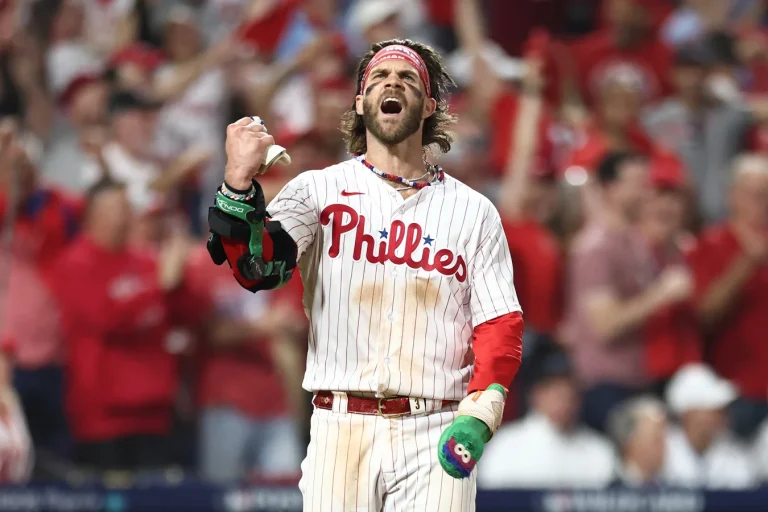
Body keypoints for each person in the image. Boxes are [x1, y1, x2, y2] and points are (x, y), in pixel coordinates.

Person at [209, 39, 524, 510]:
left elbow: (500, 323)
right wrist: (238, 183)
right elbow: (258, 270)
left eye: (407, 77)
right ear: (360, 102)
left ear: (429, 106)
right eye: (379, 76)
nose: (392, 82)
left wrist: (480, 412)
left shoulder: (474, 212)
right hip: (340, 426)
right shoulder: (318, 190)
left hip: (434, 425)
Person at [47, 179, 201, 471]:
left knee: (157, 490)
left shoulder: (146, 261)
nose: (124, 216)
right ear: (92, 215)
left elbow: (187, 315)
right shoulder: (74, 263)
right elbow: (106, 319)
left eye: (126, 208)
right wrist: (159, 286)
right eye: (116, 209)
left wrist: (181, 279)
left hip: (153, 409)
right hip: (102, 414)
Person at [562, 151, 693, 433]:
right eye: (637, 183)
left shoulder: (632, 242)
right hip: (605, 385)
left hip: (637, 380)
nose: (647, 191)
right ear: (612, 189)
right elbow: (605, 324)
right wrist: (662, 294)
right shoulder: (596, 248)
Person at [182, 241, 306, 483]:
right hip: (224, 402)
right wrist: (263, 326)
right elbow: (207, 332)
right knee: (221, 492)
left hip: (275, 402)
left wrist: (284, 325)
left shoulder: (275, 262)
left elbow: (295, 318)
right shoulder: (201, 265)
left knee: (286, 492)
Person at [686, 154, 768, 440]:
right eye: (753, 194)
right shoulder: (710, 243)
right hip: (733, 389)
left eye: (765, 194)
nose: (761, 202)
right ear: (732, 196)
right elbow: (703, 315)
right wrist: (745, 265)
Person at [478, 352, 614, 489]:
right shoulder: (506, 445)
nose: (563, 401)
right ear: (536, 395)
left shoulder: (598, 450)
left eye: (569, 391)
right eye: (554, 391)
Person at [663, 363, 758, 489]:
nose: (722, 414)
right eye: (713, 408)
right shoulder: (661, 450)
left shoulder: (734, 454)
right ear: (689, 414)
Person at [608, 396, 668, 488]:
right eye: (657, 440)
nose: (664, 446)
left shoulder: (670, 487)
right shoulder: (611, 492)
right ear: (630, 443)